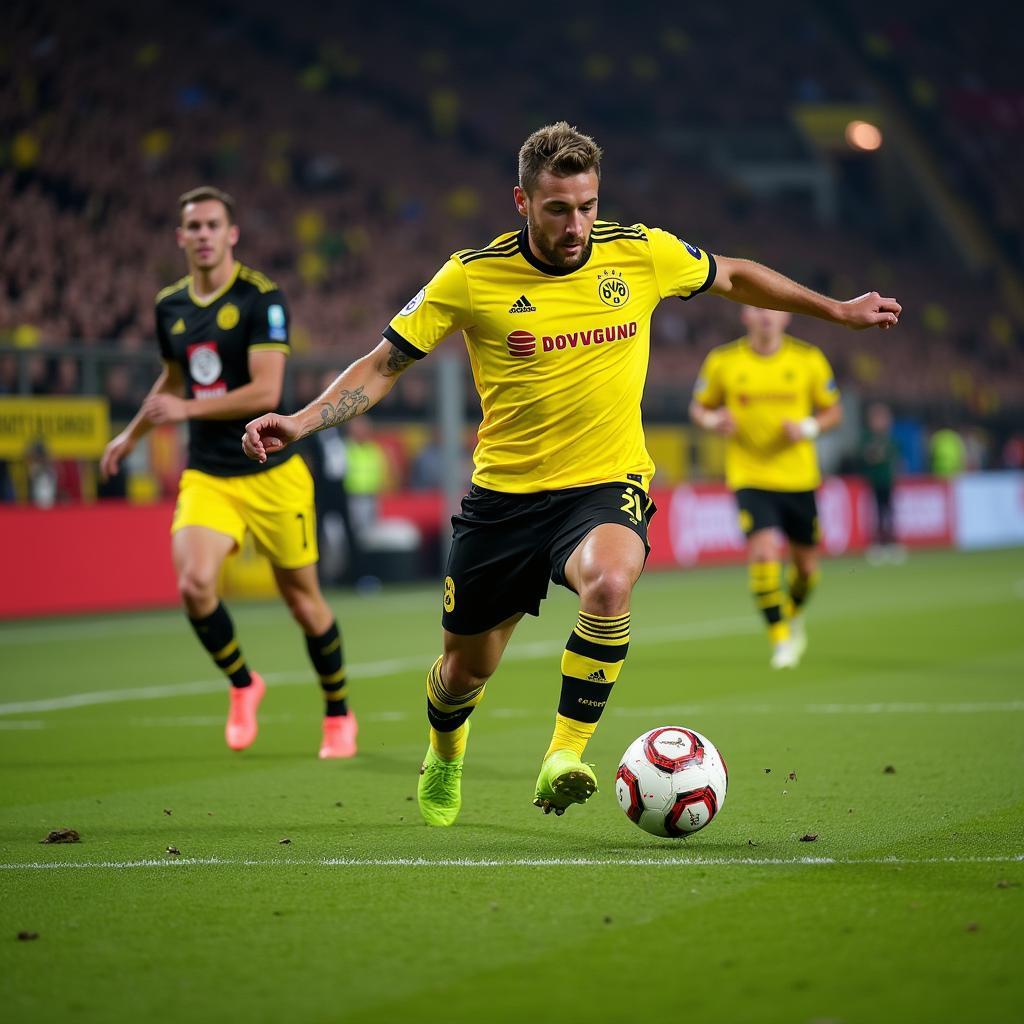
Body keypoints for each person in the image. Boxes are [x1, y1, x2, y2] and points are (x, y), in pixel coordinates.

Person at [242, 122, 900, 825]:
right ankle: (445, 749)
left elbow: (733, 273)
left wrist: (836, 311)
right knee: (465, 672)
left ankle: (565, 754)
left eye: (587, 205)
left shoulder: (641, 254)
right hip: (502, 500)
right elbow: (381, 366)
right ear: (521, 202)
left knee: (611, 582)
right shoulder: (471, 275)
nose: (577, 223)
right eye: (559, 208)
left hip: (604, 483)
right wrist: (301, 421)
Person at [100, 186, 356, 759]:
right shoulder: (170, 306)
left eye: (214, 225)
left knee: (303, 603)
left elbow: (267, 390)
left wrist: (187, 409)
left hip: (274, 472)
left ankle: (338, 713)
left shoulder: (263, 298)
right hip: (210, 474)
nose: (204, 235)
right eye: (194, 226)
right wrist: (130, 435)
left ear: (231, 233)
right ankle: (244, 683)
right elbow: (172, 379)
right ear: (181, 238)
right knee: (194, 585)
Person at [690, 307, 844, 669]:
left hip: (799, 478)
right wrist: (714, 419)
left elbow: (833, 411)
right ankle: (781, 640)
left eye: (773, 309)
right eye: (757, 308)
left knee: (806, 569)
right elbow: (699, 408)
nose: (765, 316)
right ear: (744, 315)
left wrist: (807, 428)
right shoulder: (723, 361)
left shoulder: (808, 359)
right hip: (750, 475)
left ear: (786, 317)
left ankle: (791, 614)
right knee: (762, 554)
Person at [860, 401, 905, 564]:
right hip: (875, 482)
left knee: (889, 513)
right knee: (876, 514)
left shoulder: (890, 439)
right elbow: (867, 457)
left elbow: (896, 459)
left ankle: (892, 544)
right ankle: (877, 545)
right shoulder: (867, 438)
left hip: (888, 481)